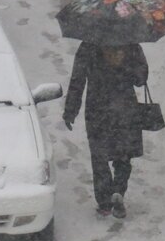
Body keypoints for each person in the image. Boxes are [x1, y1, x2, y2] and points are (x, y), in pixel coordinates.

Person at [63, 42, 149, 219]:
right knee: (124, 154)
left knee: (99, 156)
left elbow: (77, 80)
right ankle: (118, 190)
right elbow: (141, 79)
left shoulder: (88, 45)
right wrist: (124, 64)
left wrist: (70, 110)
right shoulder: (130, 43)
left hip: (97, 108)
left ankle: (104, 203)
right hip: (125, 107)